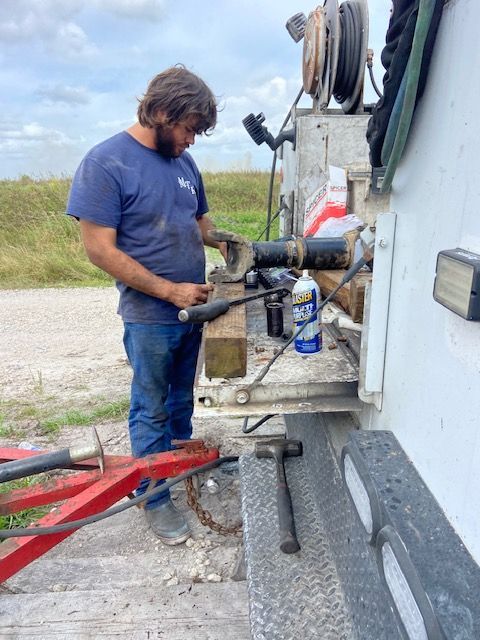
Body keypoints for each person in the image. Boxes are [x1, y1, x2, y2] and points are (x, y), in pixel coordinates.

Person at [66, 66, 226, 545]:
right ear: (160, 112)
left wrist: (232, 244)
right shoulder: (106, 163)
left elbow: (201, 223)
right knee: (151, 408)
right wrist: (169, 290)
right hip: (152, 317)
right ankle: (153, 496)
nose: (192, 140)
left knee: (180, 402)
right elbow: (100, 249)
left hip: (191, 310)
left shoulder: (182, 163)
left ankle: (179, 473)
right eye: (188, 128)